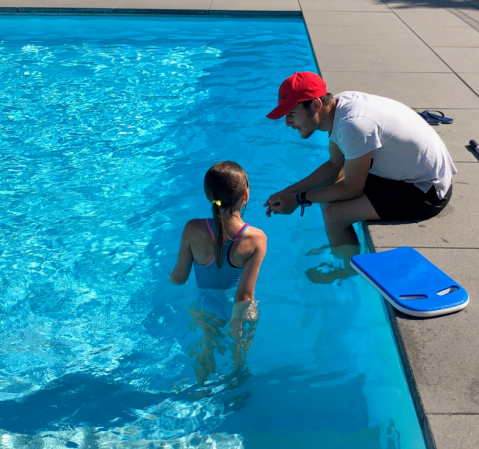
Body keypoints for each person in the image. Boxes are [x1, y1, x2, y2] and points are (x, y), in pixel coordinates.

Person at [263, 71, 456, 283]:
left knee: (334, 215)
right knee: (327, 195)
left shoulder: (353, 124)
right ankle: (344, 248)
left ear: (316, 105)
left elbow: (352, 189)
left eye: (291, 113)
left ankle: (349, 270)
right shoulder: (339, 107)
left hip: (426, 190)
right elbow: (334, 166)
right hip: (407, 173)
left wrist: (298, 200)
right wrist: (288, 192)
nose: (287, 122)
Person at [169, 161, 267, 386]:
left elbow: (180, 278)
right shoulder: (256, 238)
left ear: (208, 195)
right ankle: (237, 387)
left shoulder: (193, 229)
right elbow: (245, 295)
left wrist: (170, 275)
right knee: (238, 360)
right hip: (239, 310)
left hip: (207, 306)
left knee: (206, 352)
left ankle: (201, 390)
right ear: (245, 195)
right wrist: (236, 323)